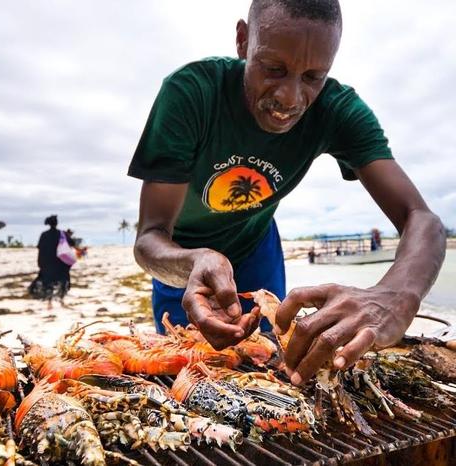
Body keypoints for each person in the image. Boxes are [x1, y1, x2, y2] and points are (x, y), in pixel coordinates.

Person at [129, 0, 445, 387]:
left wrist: (396, 294)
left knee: (271, 365)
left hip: (256, 242)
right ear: (243, 40)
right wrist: (190, 263)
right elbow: (149, 238)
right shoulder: (192, 94)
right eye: (273, 69)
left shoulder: (337, 110)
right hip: (183, 256)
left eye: (313, 76)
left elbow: (421, 218)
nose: (290, 98)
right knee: (188, 375)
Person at [35, 215, 75, 309]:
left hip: (48, 263)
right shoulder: (62, 234)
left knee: (48, 282)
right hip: (60, 263)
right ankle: (61, 300)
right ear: (56, 223)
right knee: (63, 281)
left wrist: (40, 263)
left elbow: (40, 249)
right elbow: (72, 243)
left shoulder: (44, 235)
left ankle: (49, 302)